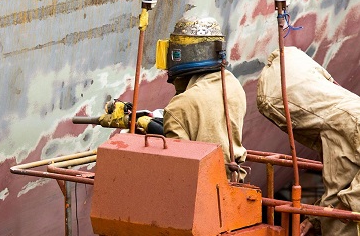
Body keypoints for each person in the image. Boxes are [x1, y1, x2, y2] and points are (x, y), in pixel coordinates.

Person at [256, 46, 360, 236]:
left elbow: (347, 195)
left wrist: (349, 204)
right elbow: (341, 182)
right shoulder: (334, 123)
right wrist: (316, 218)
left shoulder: (352, 118)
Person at [152, 16, 247, 181]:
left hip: (202, 187)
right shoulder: (233, 85)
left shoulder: (179, 106)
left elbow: (179, 164)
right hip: (234, 179)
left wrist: (150, 127)